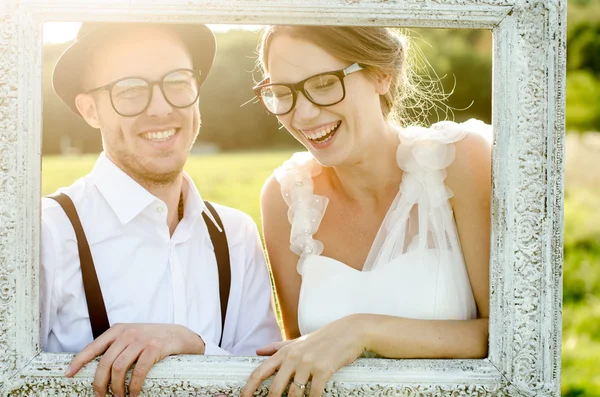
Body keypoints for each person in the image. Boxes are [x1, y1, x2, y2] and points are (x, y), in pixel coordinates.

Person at [242, 26, 491, 397]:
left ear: (381, 74)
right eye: (283, 93)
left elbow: (509, 335)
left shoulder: (461, 162)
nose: (304, 114)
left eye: (324, 84)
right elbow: (299, 355)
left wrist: (361, 330)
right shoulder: (285, 199)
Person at [41, 22, 281, 397]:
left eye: (177, 81)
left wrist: (194, 346)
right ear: (90, 110)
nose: (161, 108)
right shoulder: (45, 231)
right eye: (131, 90)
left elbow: (263, 382)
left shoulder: (235, 234)